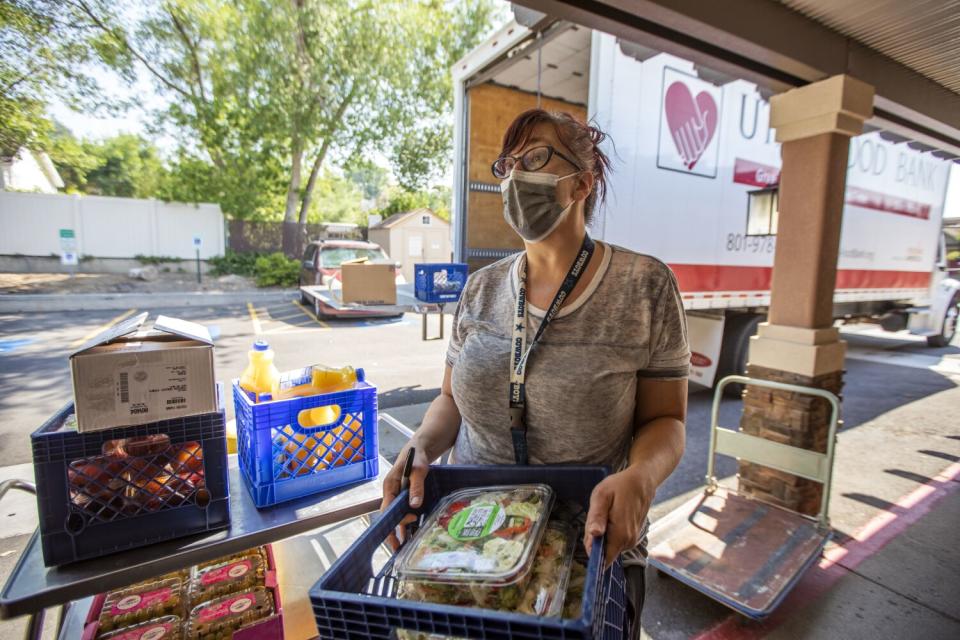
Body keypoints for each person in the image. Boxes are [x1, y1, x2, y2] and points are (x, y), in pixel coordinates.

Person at [381, 109, 690, 638]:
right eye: (508, 164)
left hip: (584, 546)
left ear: (582, 183)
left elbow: (666, 421)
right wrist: (422, 449)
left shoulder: (644, 286)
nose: (516, 177)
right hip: (470, 538)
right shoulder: (480, 289)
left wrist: (642, 475)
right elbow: (450, 402)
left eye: (537, 158)